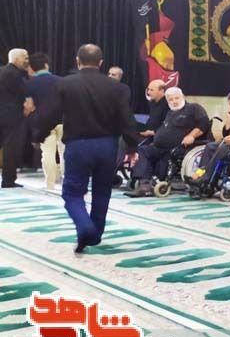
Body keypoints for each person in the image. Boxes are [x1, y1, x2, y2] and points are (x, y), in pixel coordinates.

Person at [32, 44, 140, 252]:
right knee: (102, 192)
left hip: (78, 145)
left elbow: (50, 115)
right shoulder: (118, 88)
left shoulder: (65, 84)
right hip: (108, 146)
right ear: (101, 62)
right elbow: (127, 120)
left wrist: (38, 136)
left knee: (72, 193)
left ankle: (84, 226)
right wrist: (132, 147)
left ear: (77, 61)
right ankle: (95, 234)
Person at [126, 87, 210, 197]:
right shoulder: (170, 113)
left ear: (183, 97)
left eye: (176, 98)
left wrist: (191, 136)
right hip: (159, 146)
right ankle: (144, 184)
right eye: (171, 100)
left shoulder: (194, 108)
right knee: (140, 150)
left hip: (179, 148)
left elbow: (204, 124)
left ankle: (155, 180)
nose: (174, 101)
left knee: (162, 157)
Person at [25, 53, 64, 189]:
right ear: (46, 65)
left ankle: (50, 184)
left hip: (43, 122)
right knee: (65, 153)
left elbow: (29, 106)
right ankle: (67, 182)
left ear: (31, 68)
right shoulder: (62, 81)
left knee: (47, 153)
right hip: (63, 120)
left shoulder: (29, 84)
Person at [0, 48, 30, 188]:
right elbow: (23, 95)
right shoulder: (15, 74)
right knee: (11, 148)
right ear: (16, 58)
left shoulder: (1, 71)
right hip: (11, 116)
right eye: (25, 57)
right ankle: (8, 180)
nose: (27, 61)